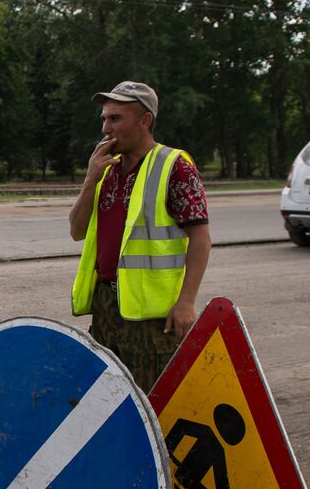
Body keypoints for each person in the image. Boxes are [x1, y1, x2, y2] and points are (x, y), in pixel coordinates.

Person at [68, 80, 211, 391]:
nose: (106, 127)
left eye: (115, 118)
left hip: (152, 316)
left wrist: (186, 302)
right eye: (104, 118)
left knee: (152, 404)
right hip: (107, 306)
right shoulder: (105, 169)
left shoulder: (175, 166)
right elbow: (76, 230)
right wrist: (90, 179)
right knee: (104, 402)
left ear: (145, 120)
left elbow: (200, 239)